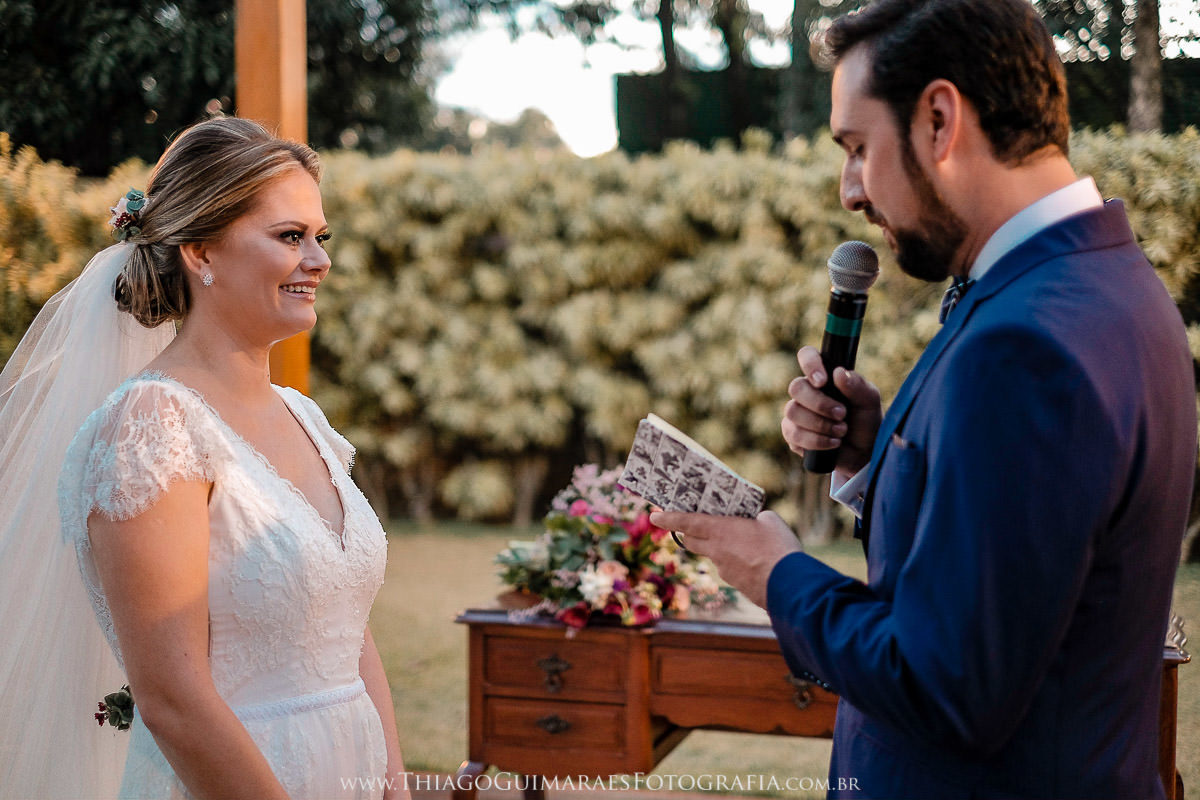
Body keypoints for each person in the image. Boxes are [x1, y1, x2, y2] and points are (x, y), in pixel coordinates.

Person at [651, 1, 1196, 798]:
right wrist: (879, 455)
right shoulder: (1108, 280)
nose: (850, 192)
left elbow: (946, 686)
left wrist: (772, 570)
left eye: (858, 148)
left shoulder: (1025, 344)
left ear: (940, 120)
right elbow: (1027, 557)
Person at [0, 118, 408, 799]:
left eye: (320, 237)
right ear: (201, 252)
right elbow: (173, 700)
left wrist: (391, 783)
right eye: (289, 236)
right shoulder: (151, 428)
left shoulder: (304, 416)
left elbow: (346, 631)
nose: (320, 259)